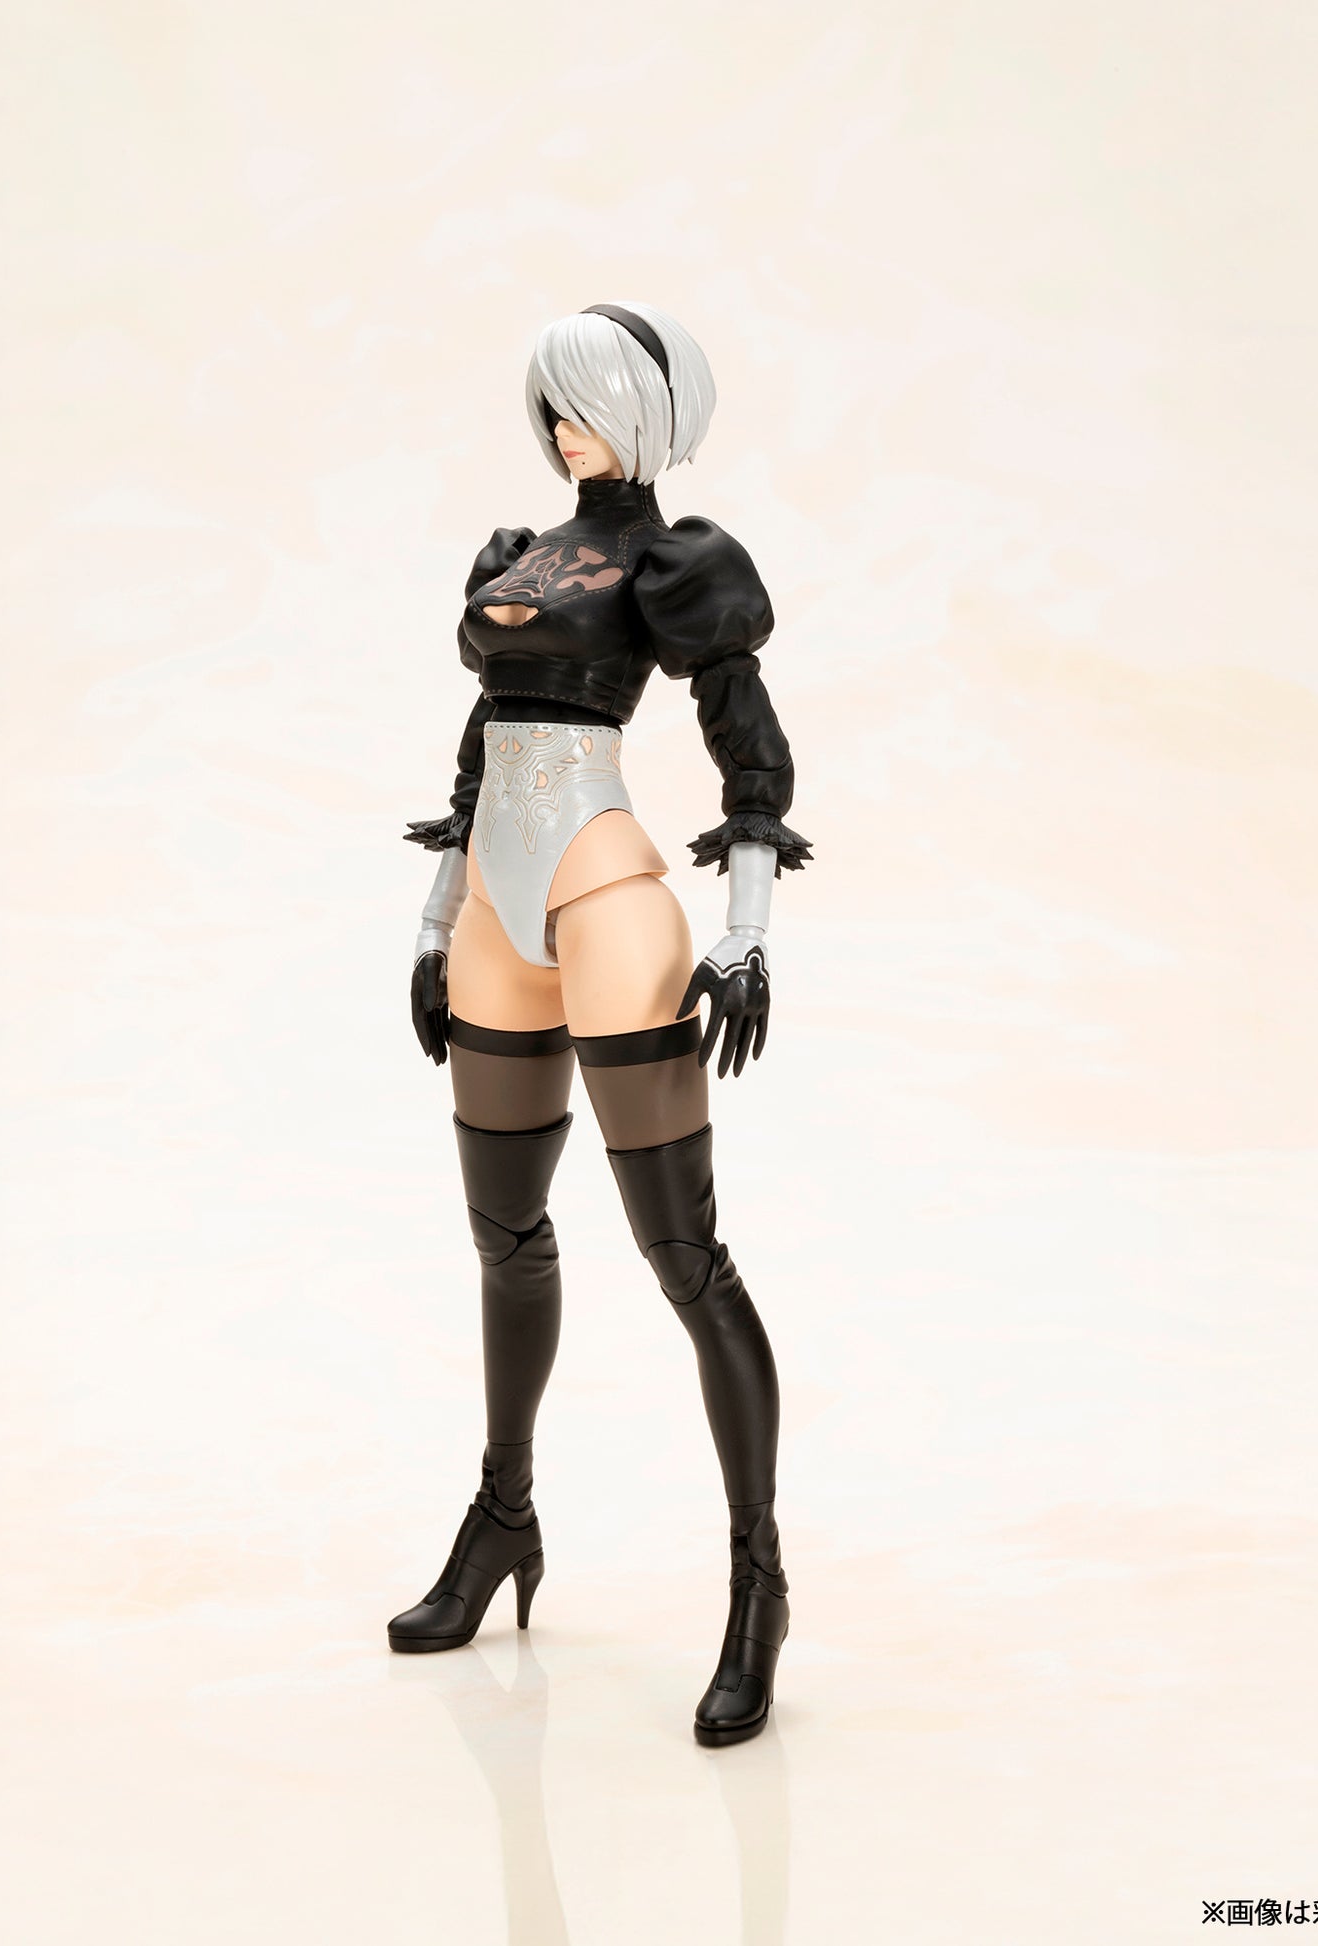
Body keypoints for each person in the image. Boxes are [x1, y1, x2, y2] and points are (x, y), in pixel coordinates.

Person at [389, 301, 811, 1747]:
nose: (565, 427)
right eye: (550, 403)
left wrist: (748, 932)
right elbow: (481, 746)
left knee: (683, 1257)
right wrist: (437, 918)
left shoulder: (673, 562)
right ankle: (502, 1517)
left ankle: (756, 1586)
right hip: (497, 914)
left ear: (644, 413)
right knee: (504, 1236)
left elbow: (743, 737)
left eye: (588, 402)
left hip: (606, 893)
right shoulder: (519, 555)